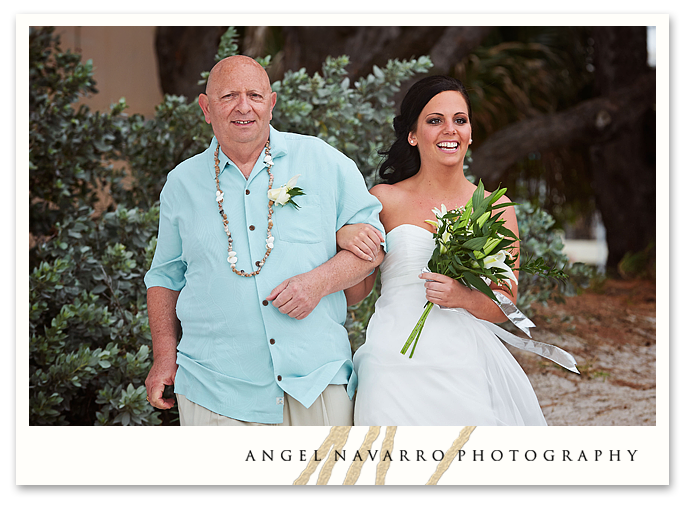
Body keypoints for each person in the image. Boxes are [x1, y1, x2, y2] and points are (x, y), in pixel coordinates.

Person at [143, 55, 384, 426]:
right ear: (206, 108)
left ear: (271, 104)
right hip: (216, 387)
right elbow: (165, 277)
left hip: (316, 379)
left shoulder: (322, 160)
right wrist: (163, 358)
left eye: (254, 95)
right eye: (229, 97)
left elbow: (373, 248)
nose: (244, 107)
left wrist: (317, 283)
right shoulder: (181, 183)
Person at [337, 75, 548, 426]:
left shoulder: (495, 208)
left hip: (462, 362)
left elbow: (507, 304)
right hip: (391, 361)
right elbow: (356, 293)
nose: (450, 129)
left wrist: (463, 296)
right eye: (435, 121)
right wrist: (345, 239)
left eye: (459, 120)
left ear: (470, 133)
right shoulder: (383, 200)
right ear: (413, 135)